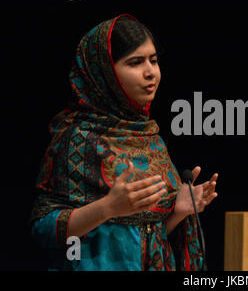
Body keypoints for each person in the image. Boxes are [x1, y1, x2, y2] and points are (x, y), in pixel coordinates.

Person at [29, 14, 218, 271]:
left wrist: (179, 212)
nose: (150, 72)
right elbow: (44, 230)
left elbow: (148, 234)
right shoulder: (77, 137)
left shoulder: (151, 137)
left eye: (153, 60)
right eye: (135, 62)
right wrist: (107, 208)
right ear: (104, 73)